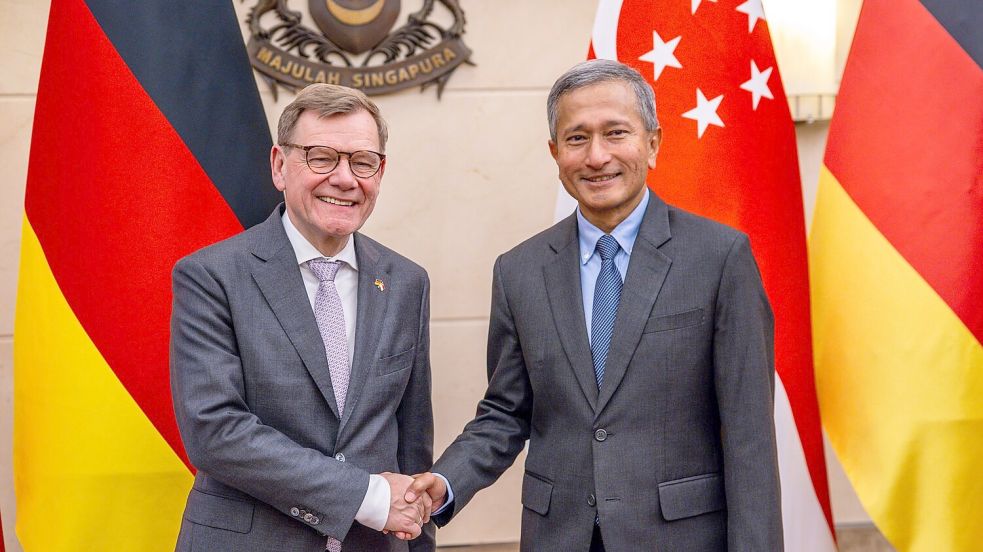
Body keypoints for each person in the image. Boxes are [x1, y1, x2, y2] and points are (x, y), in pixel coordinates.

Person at [406, 59, 783, 551]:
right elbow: (505, 412)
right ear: (554, 152)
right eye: (577, 138)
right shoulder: (519, 271)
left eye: (616, 133)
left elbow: (749, 437)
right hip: (559, 536)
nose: (597, 156)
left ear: (652, 143)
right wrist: (446, 482)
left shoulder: (719, 258)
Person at [170, 83, 435, 551]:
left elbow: (411, 444)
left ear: (381, 171)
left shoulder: (407, 282)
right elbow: (215, 430)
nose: (345, 178)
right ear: (279, 166)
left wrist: (415, 537)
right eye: (321, 157)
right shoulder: (211, 276)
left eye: (362, 161)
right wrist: (367, 496)